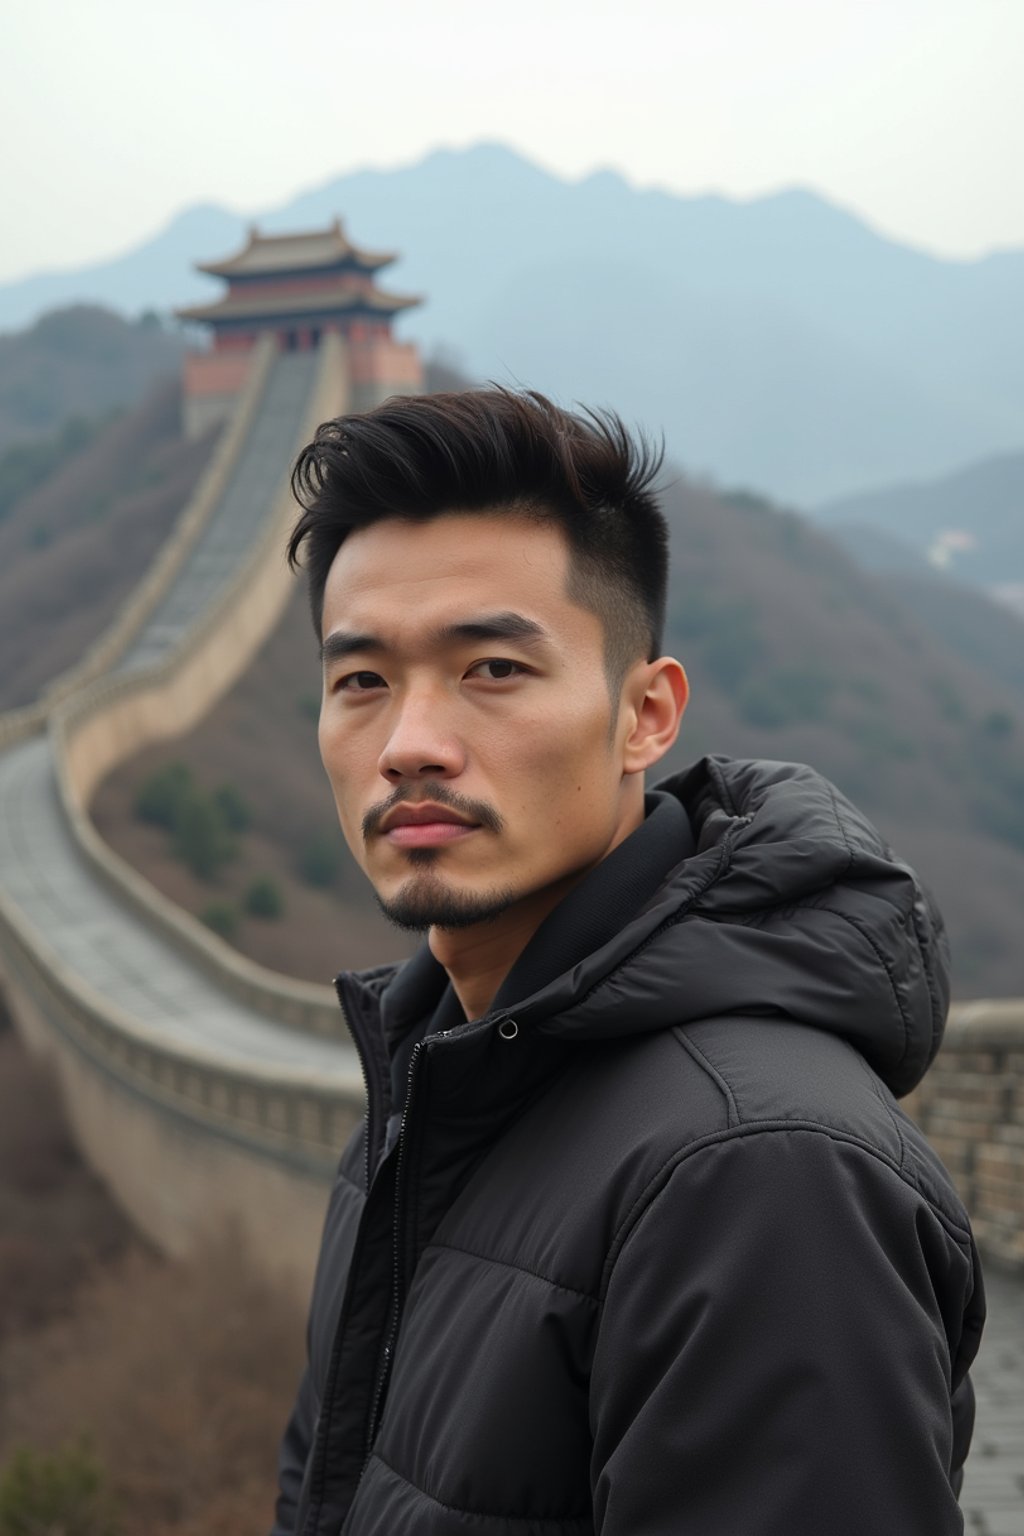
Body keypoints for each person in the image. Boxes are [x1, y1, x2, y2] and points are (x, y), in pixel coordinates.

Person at [272, 388, 984, 1536]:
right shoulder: (431, 1081)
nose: (408, 743)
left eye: (492, 669)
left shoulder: (757, 1171)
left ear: (645, 715)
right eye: (360, 680)